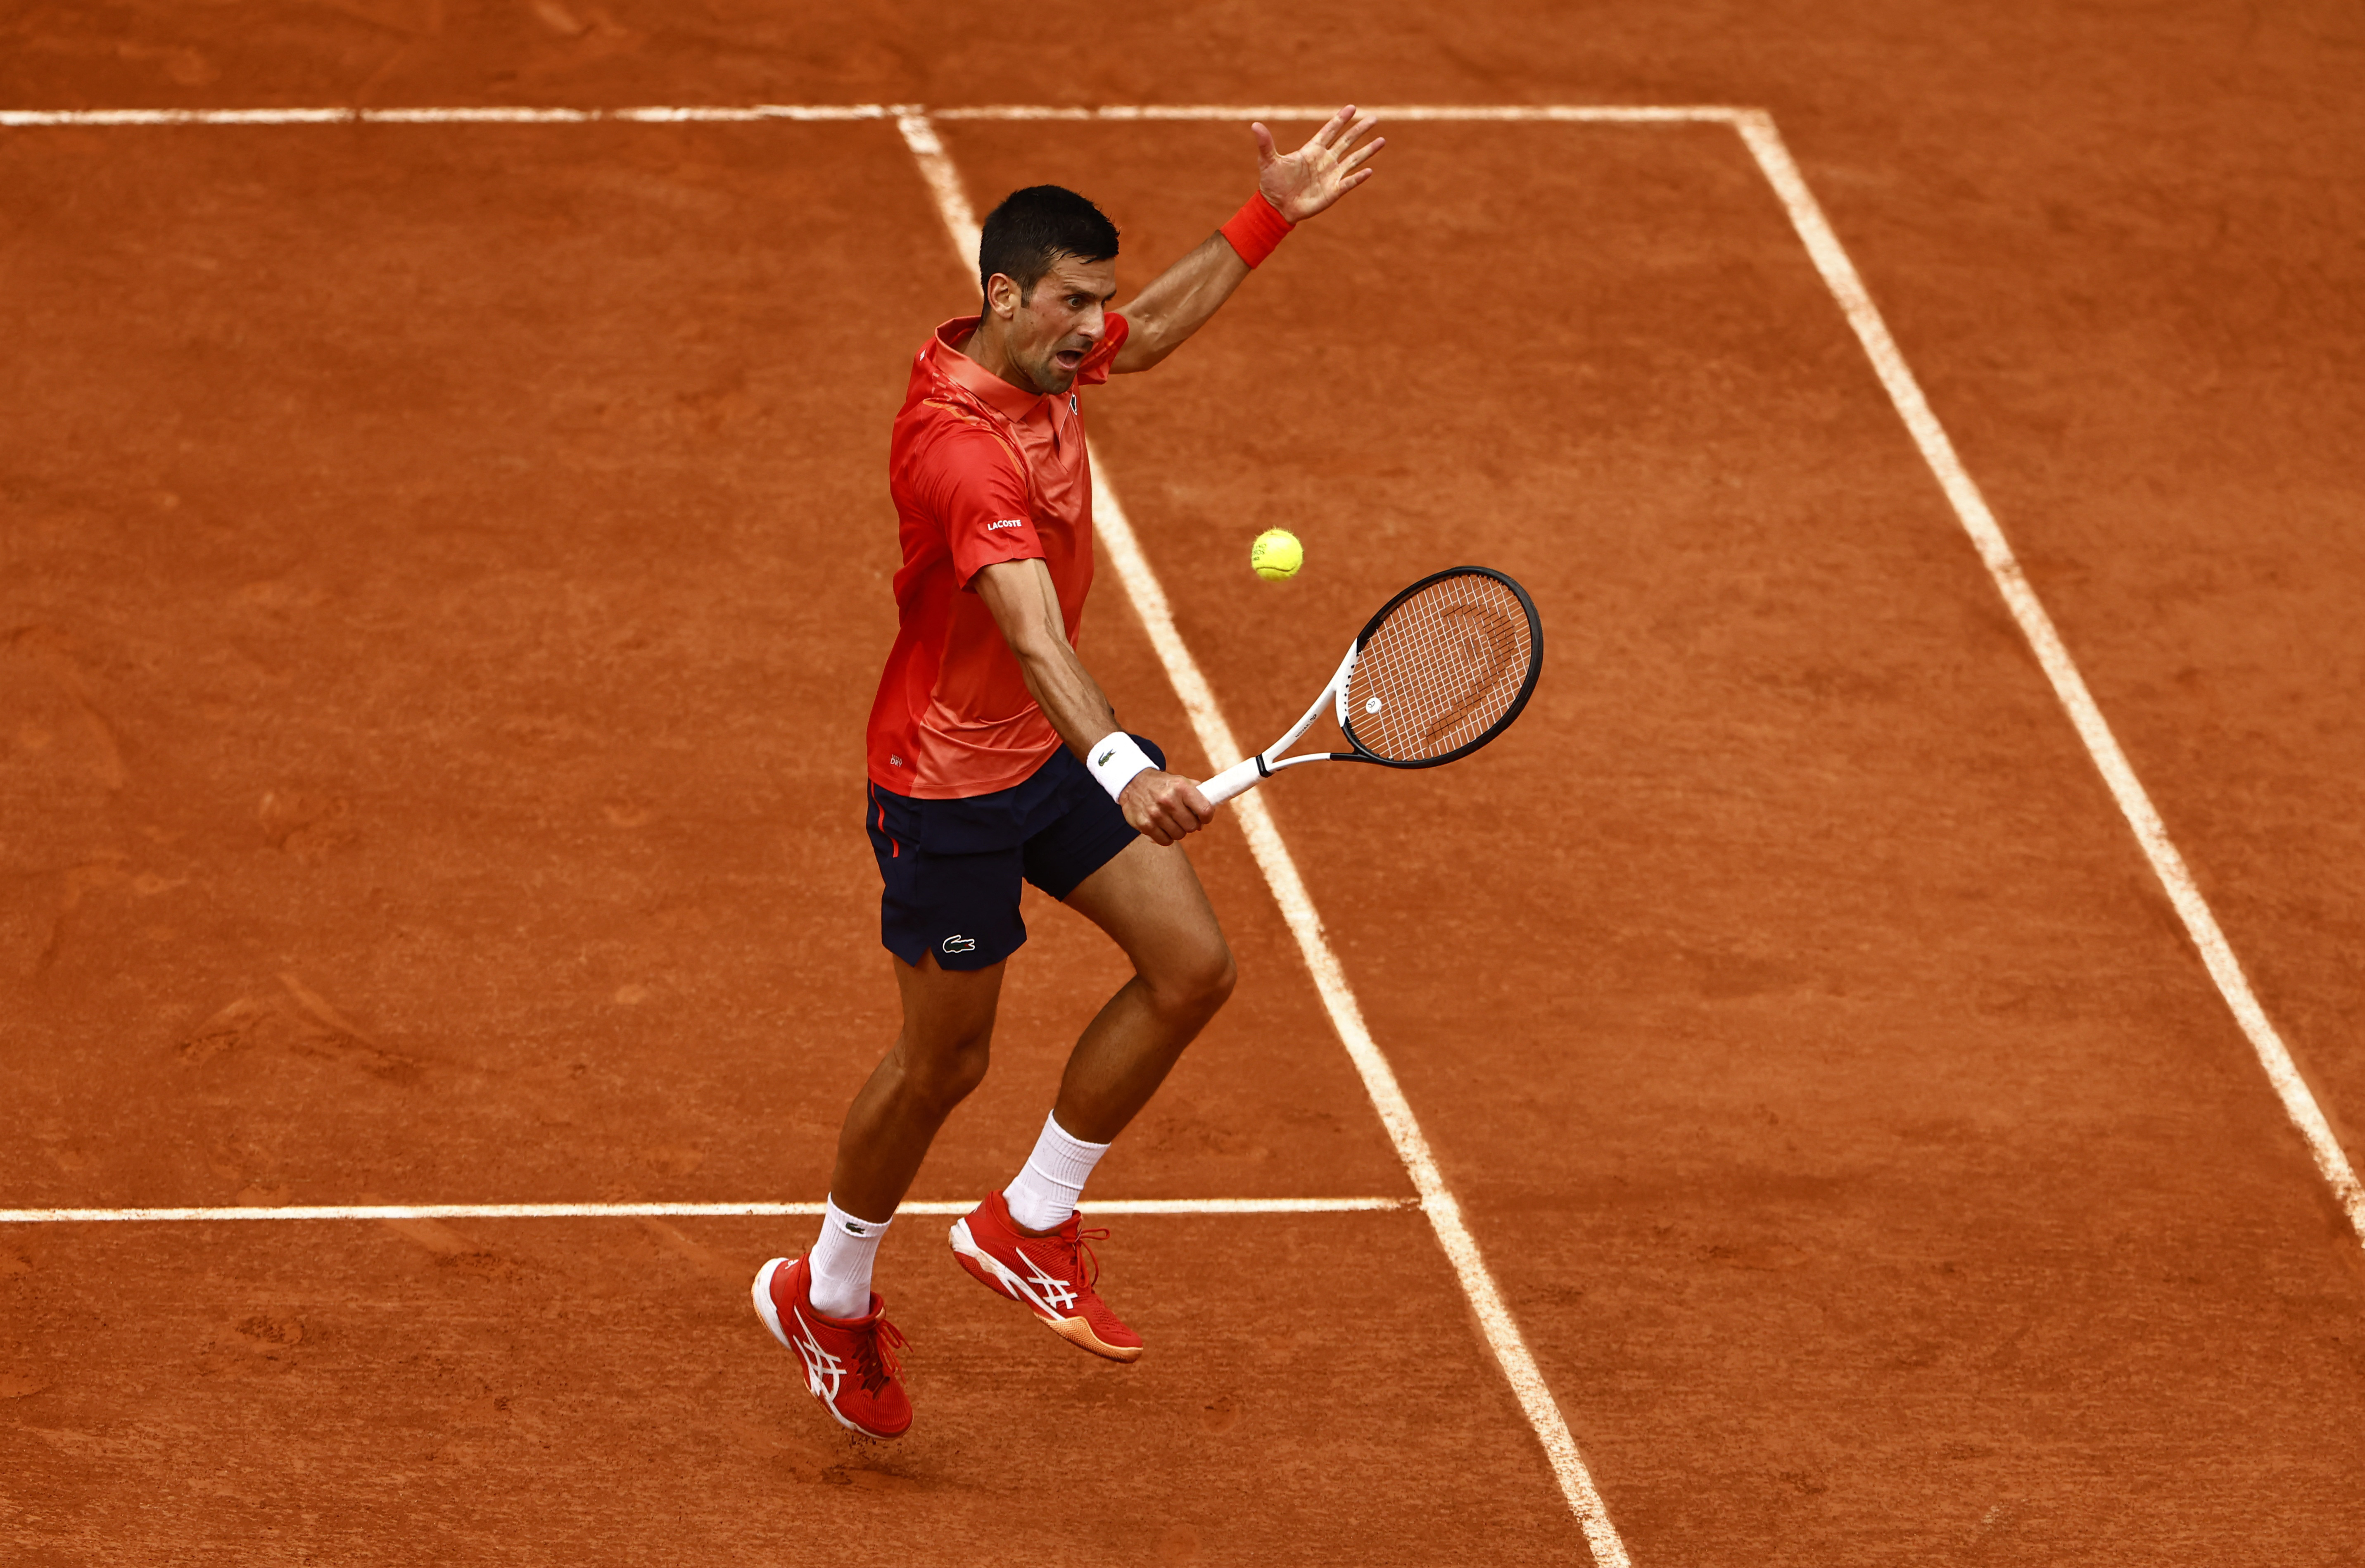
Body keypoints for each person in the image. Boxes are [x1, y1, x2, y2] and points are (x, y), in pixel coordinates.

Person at [752, 106, 1386, 1439]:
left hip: (1046, 755)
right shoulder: (958, 446)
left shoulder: (1047, 358)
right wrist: (1124, 764)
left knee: (1193, 966)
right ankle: (832, 1288)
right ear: (1003, 295)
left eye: (1095, 299)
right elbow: (1031, 631)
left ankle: (1028, 1216)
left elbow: (1149, 328)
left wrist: (1268, 215)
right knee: (944, 1066)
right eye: (1073, 304)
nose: (1098, 325)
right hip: (949, 784)